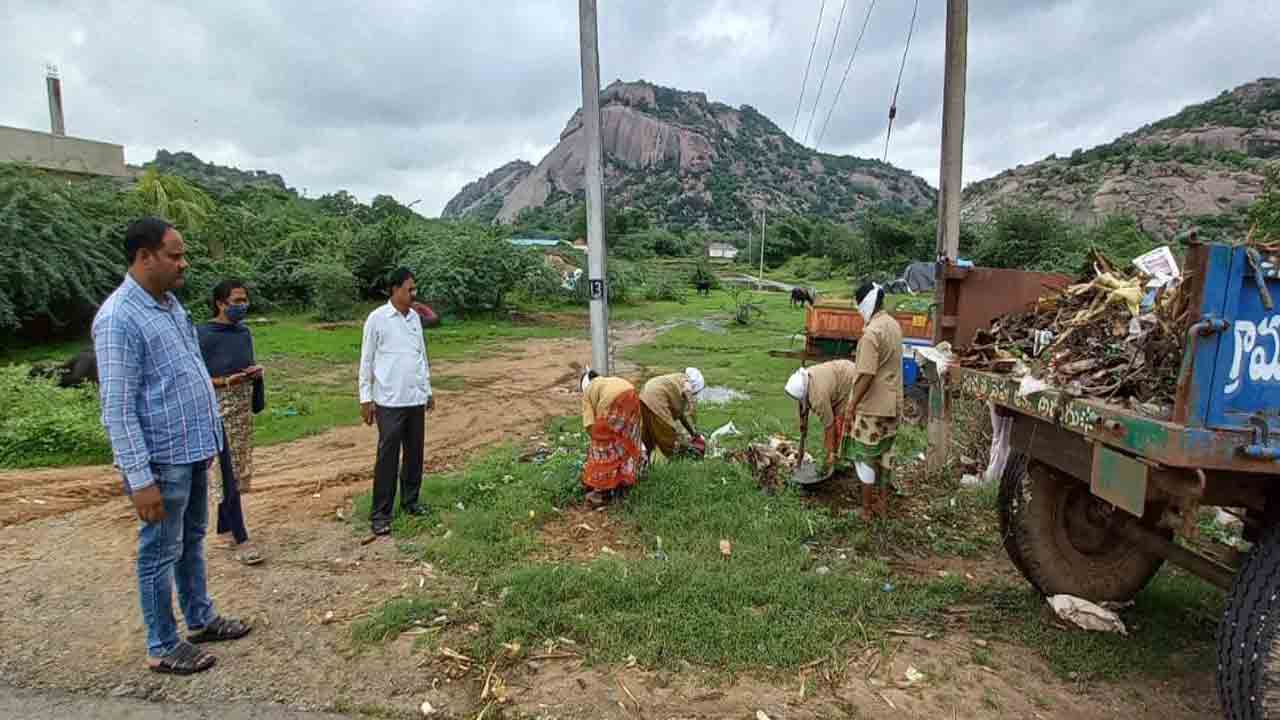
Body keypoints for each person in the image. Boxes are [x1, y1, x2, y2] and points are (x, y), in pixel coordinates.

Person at [93, 217, 251, 676]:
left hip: (193, 449)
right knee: (159, 552)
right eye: (174, 255)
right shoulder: (119, 318)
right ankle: (162, 643)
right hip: (161, 460)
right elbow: (118, 408)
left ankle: (200, 618)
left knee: (190, 542)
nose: (183, 263)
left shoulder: (170, 305)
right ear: (144, 257)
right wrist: (140, 480)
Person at [359, 268, 434, 536]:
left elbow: (420, 356)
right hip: (389, 400)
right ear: (394, 289)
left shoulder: (414, 318)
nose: (414, 294)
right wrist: (366, 398)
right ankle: (380, 514)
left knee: (414, 454)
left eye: (415, 289)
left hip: (414, 397)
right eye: (409, 289)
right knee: (388, 457)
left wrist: (427, 390)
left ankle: (411, 502)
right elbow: (366, 360)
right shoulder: (377, 319)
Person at [197, 279, 265, 566]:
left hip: (241, 409)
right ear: (220, 303)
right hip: (216, 408)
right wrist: (224, 381)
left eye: (244, 300)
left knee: (235, 471)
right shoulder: (202, 335)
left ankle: (224, 527)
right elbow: (196, 376)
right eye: (236, 301)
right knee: (225, 472)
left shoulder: (243, 333)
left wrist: (254, 375)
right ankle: (241, 536)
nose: (242, 306)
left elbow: (245, 363)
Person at [783, 358, 859, 479]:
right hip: (841, 371)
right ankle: (836, 457)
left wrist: (828, 454)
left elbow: (829, 426)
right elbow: (802, 403)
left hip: (848, 380)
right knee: (836, 425)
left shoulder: (818, 399)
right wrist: (803, 423)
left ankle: (836, 461)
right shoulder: (805, 379)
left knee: (841, 424)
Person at [580, 369, 646, 507]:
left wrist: (596, 445)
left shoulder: (587, 393)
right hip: (632, 394)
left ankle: (601, 490)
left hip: (615, 400)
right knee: (625, 441)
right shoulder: (605, 381)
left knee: (602, 449)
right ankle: (623, 485)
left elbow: (589, 425)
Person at [639, 368, 706, 459]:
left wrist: (693, 433)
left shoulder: (677, 380)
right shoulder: (687, 383)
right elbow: (688, 390)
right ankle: (680, 464)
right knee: (670, 439)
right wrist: (692, 407)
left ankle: (645, 463)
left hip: (644, 396)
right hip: (657, 399)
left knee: (648, 436)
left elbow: (681, 416)